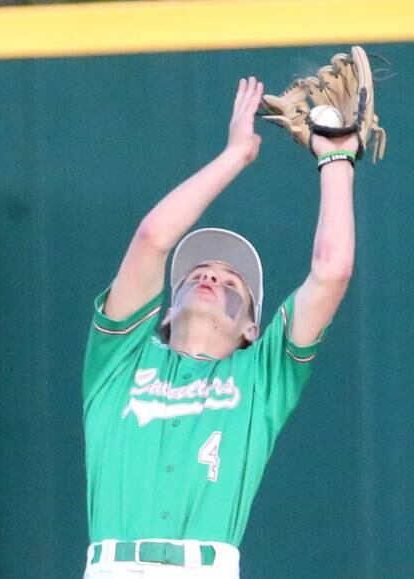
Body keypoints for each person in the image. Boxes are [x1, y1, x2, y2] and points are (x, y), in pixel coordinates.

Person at [81, 76, 358, 578]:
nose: (210, 274)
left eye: (232, 280)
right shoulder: (117, 361)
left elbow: (331, 271)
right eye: (196, 274)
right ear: (163, 313)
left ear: (253, 327)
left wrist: (336, 159)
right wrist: (235, 155)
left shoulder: (262, 379)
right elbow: (152, 238)